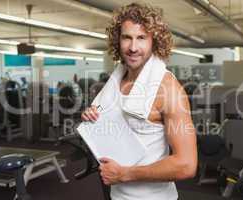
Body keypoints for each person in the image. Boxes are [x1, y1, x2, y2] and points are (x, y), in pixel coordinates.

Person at [81, 3, 197, 200]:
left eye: (141, 38)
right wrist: (91, 116)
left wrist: (124, 174)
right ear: (118, 40)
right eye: (127, 37)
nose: (133, 47)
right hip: (118, 195)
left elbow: (186, 164)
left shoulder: (168, 89)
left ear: (155, 41)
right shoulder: (116, 80)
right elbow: (110, 122)